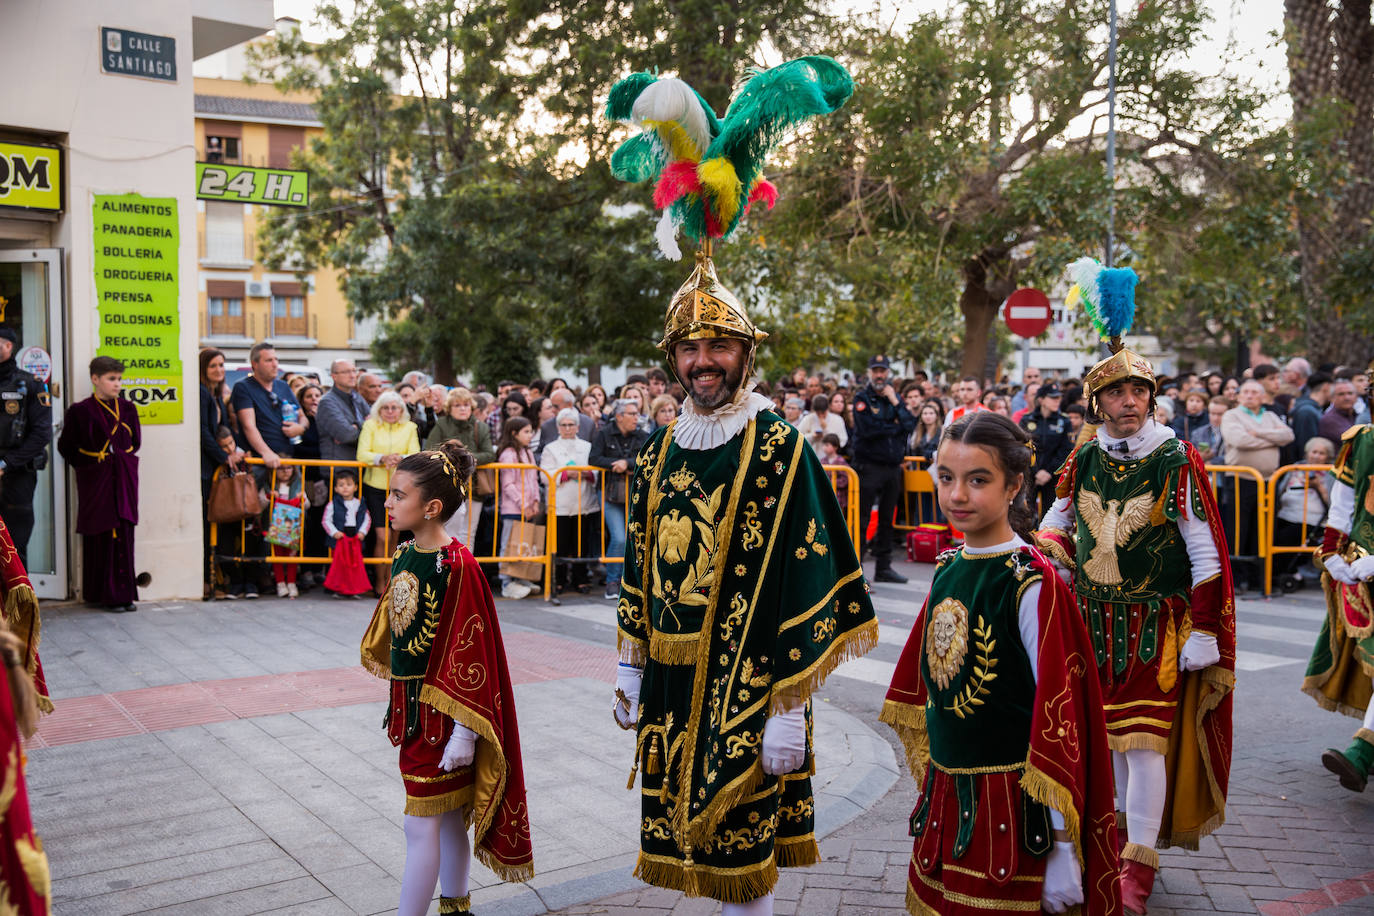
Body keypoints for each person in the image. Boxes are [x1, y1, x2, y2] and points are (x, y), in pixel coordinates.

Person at [612, 245, 877, 912]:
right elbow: (640, 566)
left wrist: (788, 710)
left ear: (745, 354)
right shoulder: (656, 452)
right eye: (689, 347)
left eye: (719, 345)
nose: (703, 361)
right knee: (688, 848)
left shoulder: (779, 447)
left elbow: (810, 576)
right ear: (672, 359)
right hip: (671, 688)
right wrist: (628, 667)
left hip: (753, 682)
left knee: (742, 854)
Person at [883, 412, 1120, 916]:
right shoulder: (949, 567)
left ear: (1014, 486)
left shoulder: (1031, 584)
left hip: (1015, 814)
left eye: (978, 480)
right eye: (946, 478)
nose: (957, 496)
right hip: (950, 798)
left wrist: (1059, 848)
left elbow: (1060, 723)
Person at [1038, 337, 1234, 915]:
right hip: (1093, 622)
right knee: (1111, 745)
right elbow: (1058, 520)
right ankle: (1116, 840)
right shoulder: (1087, 456)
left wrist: (1204, 632)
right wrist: (1044, 555)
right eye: (1117, 392)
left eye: (1139, 391)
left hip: (1156, 628)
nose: (1130, 401)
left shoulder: (1176, 459)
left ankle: (1138, 869)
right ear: (1098, 403)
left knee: (1145, 746)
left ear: (1152, 398)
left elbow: (1207, 554)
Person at [359, 442, 533, 916]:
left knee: (421, 825)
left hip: (445, 717)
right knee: (449, 818)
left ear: (431, 507)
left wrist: (464, 731)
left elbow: (472, 650)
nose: (389, 503)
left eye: (398, 495)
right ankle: (457, 908)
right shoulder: (406, 552)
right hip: (414, 710)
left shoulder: (458, 565)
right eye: (390, 495)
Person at [1304, 366, 1374, 792]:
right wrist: (1331, 551)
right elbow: (1344, 502)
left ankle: (1362, 751)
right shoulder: (1362, 440)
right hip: (1360, 568)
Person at [56, 356, 141, 612]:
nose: (117, 384)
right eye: (111, 379)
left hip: (123, 476)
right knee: (102, 531)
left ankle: (124, 594)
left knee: (124, 530)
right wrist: (91, 466)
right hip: (97, 477)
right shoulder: (80, 411)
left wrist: (121, 459)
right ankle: (104, 594)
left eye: (119, 379)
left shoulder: (127, 408)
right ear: (96, 379)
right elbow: (66, 447)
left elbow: (135, 441)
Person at [850, 354, 916, 583]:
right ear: (870, 373)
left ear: (888, 372)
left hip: (892, 467)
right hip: (869, 466)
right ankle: (856, 570)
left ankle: (883, 567)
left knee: (888, 519)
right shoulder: (862, 398)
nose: (880, 375)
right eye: (876, 370)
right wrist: (893, 426)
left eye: (883, 371)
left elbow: (909, 425)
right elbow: (867, 430)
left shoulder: (893, 397)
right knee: (863, 518)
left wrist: (896, 403)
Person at [1221, 380, 1294, 586]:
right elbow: (1240, 441)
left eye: (1255, 392)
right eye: (1246, 392)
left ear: (1262, 396)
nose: (1250, 396)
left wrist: (1259, 433)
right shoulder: (1231, 415)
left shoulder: (1270, 416)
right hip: (1240, 478)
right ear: (1239, 395)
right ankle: (1237, 575)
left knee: (1261, 528)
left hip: (1268, 481)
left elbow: (1288, 435)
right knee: (1238, 528)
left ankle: (1257, 575)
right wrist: (1272, 439)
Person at [358, 391, 421, 593]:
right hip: (375, 486)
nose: (390, 411)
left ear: (401, 410)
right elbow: (362, 453)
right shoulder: (370, 425)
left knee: (395, 537)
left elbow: (415, 452)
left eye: (395, 407)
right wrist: (382, 458)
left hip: (401, 486)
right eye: (386, 407)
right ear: (379, 409)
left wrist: (399, 458)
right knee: (382, 537)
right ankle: (379, 583)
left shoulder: (410, 427)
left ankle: (390, 581)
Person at [0, 328, 52, 568]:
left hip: (16, 474)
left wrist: (6, 463)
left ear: (9, 346)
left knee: (14, 543)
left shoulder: (31, 385)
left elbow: (42, 433)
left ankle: (18, 603)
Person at [589, 399, 649, 599]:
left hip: (635, 492)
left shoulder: (642, 435)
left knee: (634, 536)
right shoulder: (604, 434)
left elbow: (648, 455)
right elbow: (594, 459)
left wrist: (628, 462)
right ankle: (613, 581)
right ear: (619, 416)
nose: (636, 418)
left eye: (637, 413)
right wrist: (615, 464)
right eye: (632, 414)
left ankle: (632, 581)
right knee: (619, 536)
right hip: (609, 491)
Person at [426, 388, 496, 545]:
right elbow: (430, 450)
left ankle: (464, 567)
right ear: (449, 408)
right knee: (445, 531)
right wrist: (456, 460)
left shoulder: (480, 426)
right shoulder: (442, 424)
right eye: (457, 405)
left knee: (468, 534)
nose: (463, 408)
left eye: (466, 405)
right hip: (447, 486)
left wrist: (466, 459)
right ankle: (445, 566)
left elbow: (489, 454)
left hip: (474, 487)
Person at [199, 349, 243, 599]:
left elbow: (223, 430)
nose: (219, 370)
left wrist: (235, 451)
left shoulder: (216, 395)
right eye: (213, 366)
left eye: (222, 365)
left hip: (216, 467)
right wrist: (224, 457)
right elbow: (204, 432)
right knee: (209, 527)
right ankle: (208, 581)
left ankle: (218, 579)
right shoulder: (203, 394)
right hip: (207, 470)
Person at [540, 408, 599, 593]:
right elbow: (545, 474)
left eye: (571, 424)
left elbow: (596, 469)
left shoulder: (587, 446)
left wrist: (586, 473)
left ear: (578, 426)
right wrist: (565, 474)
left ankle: (580, 579)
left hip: (584, 501)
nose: (567, 428)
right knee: (561, 544)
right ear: (558, 427)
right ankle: (558, 579)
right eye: (563, 425)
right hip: (560, 504)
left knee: (581, 544)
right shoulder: (550, 448)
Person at [1272, 436, 1334, 590]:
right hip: (1285, 513)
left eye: (1321, 453)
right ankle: (1277, 572)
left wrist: (1319, 487)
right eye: (1314, 452)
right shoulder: (1295, 468)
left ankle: (1287, 571)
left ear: (1327, 457)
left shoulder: (1330, 473)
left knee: (1289, 535)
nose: (1316, 456)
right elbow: (1280, 490)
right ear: (1307, 453)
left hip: (1312, 519)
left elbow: (1333, 503)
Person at [232, 343, 304, 472]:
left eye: (276, 359)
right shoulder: (243, 387)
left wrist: (300, 428)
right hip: (260, 463)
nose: (275, 364)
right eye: (269, 360)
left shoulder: (283, 386)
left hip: (288, 463)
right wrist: (266, 453)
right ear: (255, 364)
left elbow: (302, 416)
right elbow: (249, 426)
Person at [495, 417, 541, 600]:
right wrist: (524, 504)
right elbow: (508, 485)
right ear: (514, 433)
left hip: (527, 506)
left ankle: (521, 577)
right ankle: (506, 581)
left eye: (531, 431)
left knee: (524, 544)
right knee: (509, 544)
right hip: (513, 507)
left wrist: (535, 501)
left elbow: (534, 479)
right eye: (526, 432)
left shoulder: (528, 453)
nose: (530, 435)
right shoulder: (508, 454)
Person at [1020, 382, 1073, 519]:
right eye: (1053, 398)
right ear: (1041, 399)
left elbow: (1065, 450)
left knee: (1050, 516)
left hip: (1053, 477)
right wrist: (1035, 471)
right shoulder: (1027, 420)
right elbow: (1023, 447)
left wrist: (1048, 472)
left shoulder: (1064, 422)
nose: (1057, 401)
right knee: (1026, 515)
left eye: (1058, 398)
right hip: (1030, 476)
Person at [322, 469, 372, 598]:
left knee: (355, 564)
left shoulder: (360, 503)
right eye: (341, 485)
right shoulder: (332, 504)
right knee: (339, 564)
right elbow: (326, 520)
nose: (345, 488)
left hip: (355, 536)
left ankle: (353, 589)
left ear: (355, 487)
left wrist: (362, 532)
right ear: (336, 489)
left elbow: (367, 519)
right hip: (340, 536)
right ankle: (338, 589)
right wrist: (334, 533)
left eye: (349, 484)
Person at [262, 463, 306, 598]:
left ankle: (292, 583)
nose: (285, 471)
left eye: (289, 468)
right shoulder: (268, 486)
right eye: (281, 468)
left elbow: (308, 504)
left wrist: (301, 499)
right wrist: (269, 497)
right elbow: (260, 504)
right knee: (277, 556)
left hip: (293, 528)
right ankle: (280, 583)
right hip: (275, 527)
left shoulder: (298, 486)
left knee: (292, 556)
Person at [317, 359, 371, 462]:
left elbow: (375, 427)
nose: (352, 375)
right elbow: (347, 435)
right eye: (346, 372)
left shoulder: (356, 397)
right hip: (339, 468)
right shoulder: (327, 402)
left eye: (353, 371)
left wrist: (356, 426)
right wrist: (365, 424)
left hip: (358, 465)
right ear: (334, 376)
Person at [798, 393, 846, 457]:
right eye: (818, 413)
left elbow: (842, 441)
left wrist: (826, 430)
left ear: (827, 408)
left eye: (823, 413)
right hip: (812, 457)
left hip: (830, 460)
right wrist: (812, 436)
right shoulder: (808, 418)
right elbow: (798, 438)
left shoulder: (837, 420)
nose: (821, 416)